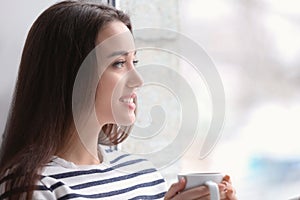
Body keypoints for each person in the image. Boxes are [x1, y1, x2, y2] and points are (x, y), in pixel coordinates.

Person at [0, 1, 237, 199]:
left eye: (134, 62)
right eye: (119, 63)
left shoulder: (142, 173)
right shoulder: (32, 186)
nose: (137, 80)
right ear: (70, 74)